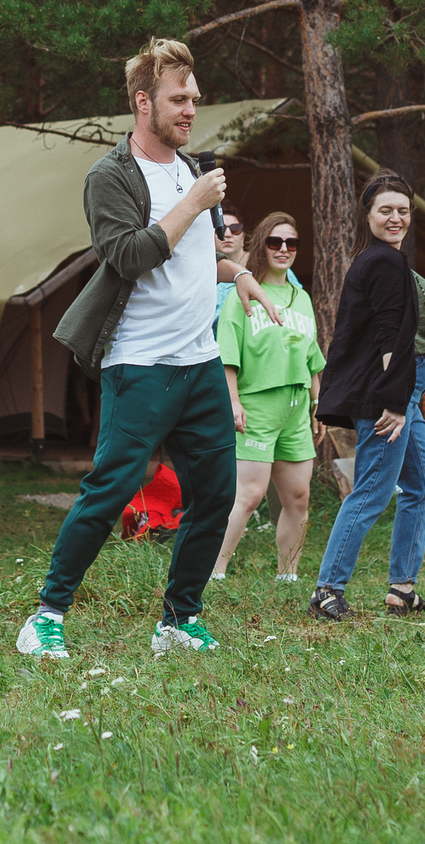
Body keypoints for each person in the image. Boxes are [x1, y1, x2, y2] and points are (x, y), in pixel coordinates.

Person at [18, 37, 280, 660]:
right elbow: (130, 255)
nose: (191, 110)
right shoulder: (111, 177)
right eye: (178, 99)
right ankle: (46, 615)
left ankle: (179, 621)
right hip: (139, 364)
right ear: (144, 102)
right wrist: (194, 203)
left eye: (195, 98)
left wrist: (239, 276)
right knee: (110, 491)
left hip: (199, 364)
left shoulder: (190, 169)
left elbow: (192, 259)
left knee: (216, 493)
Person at [309, 175, 425, 620]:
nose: (396, 217)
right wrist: (394, 402)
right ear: (368, 216)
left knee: (422, 487)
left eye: (403, 210)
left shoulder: (386, 260)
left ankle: (401, 590)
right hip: (390, 396)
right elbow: (389, 341)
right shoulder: (383, 262)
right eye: (386, 210)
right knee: (370, 493)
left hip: (404, 394)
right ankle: (327, 591)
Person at [210, 211, 323, 583]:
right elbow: (227, 353)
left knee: (298, 497)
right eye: (275, 242)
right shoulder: (243, 292)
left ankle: (287, 575)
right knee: (250, 494)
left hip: (296, 408)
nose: (284, 249)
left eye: (292, 243)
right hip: (256, 404)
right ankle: (215, 572)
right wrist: (233, 402)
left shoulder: (302, 298)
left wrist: (317, 406)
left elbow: (313, 360)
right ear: (262, 245)